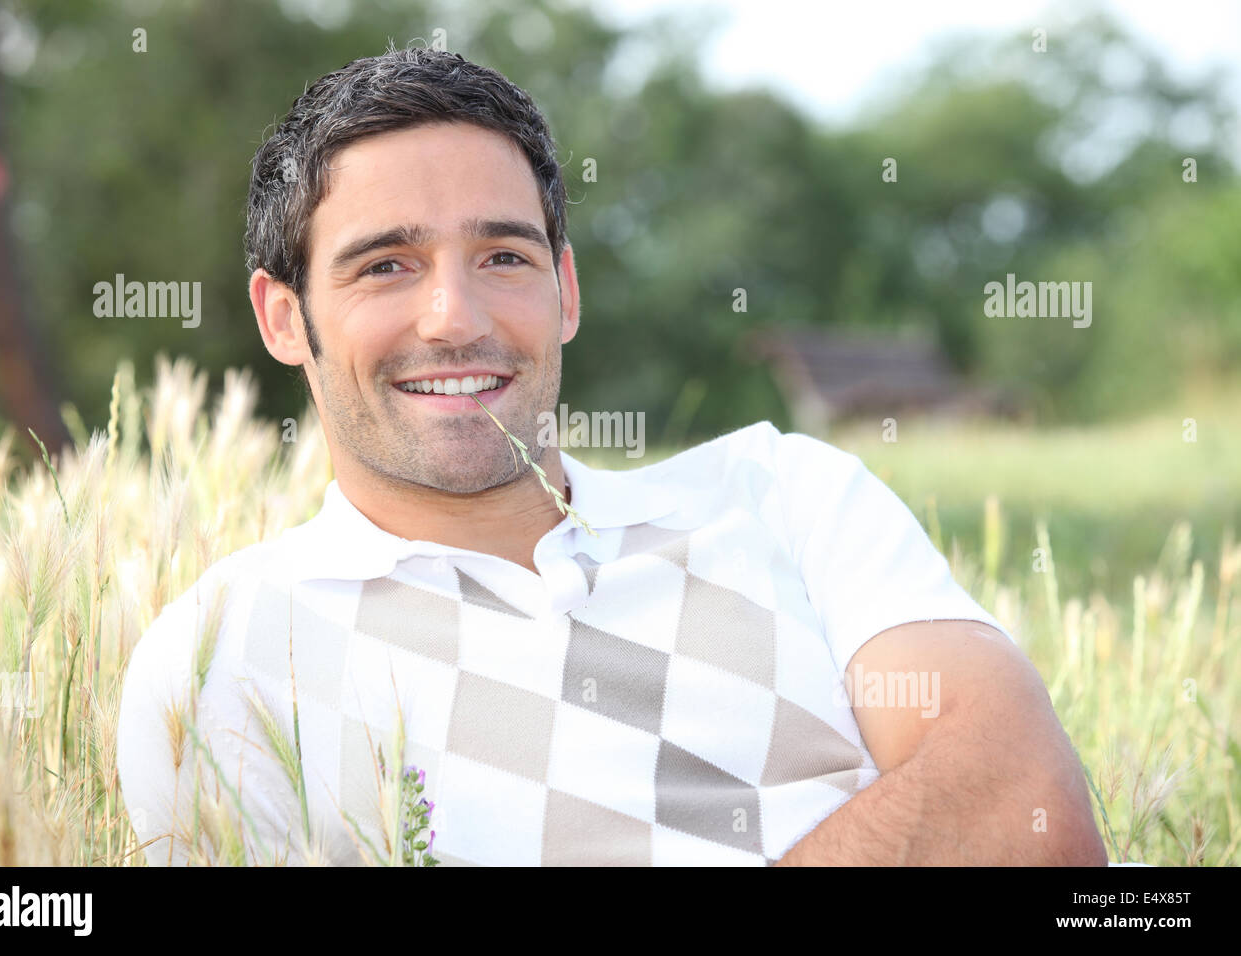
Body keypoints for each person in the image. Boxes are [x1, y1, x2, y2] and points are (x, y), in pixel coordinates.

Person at [116, 45, 1108, 867]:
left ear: (567, 293)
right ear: (284, 317)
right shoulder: (224, 658)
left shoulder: (783, 491)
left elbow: (1026, 811)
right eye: (387, 265)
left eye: (504, 256)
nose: (454, 318)